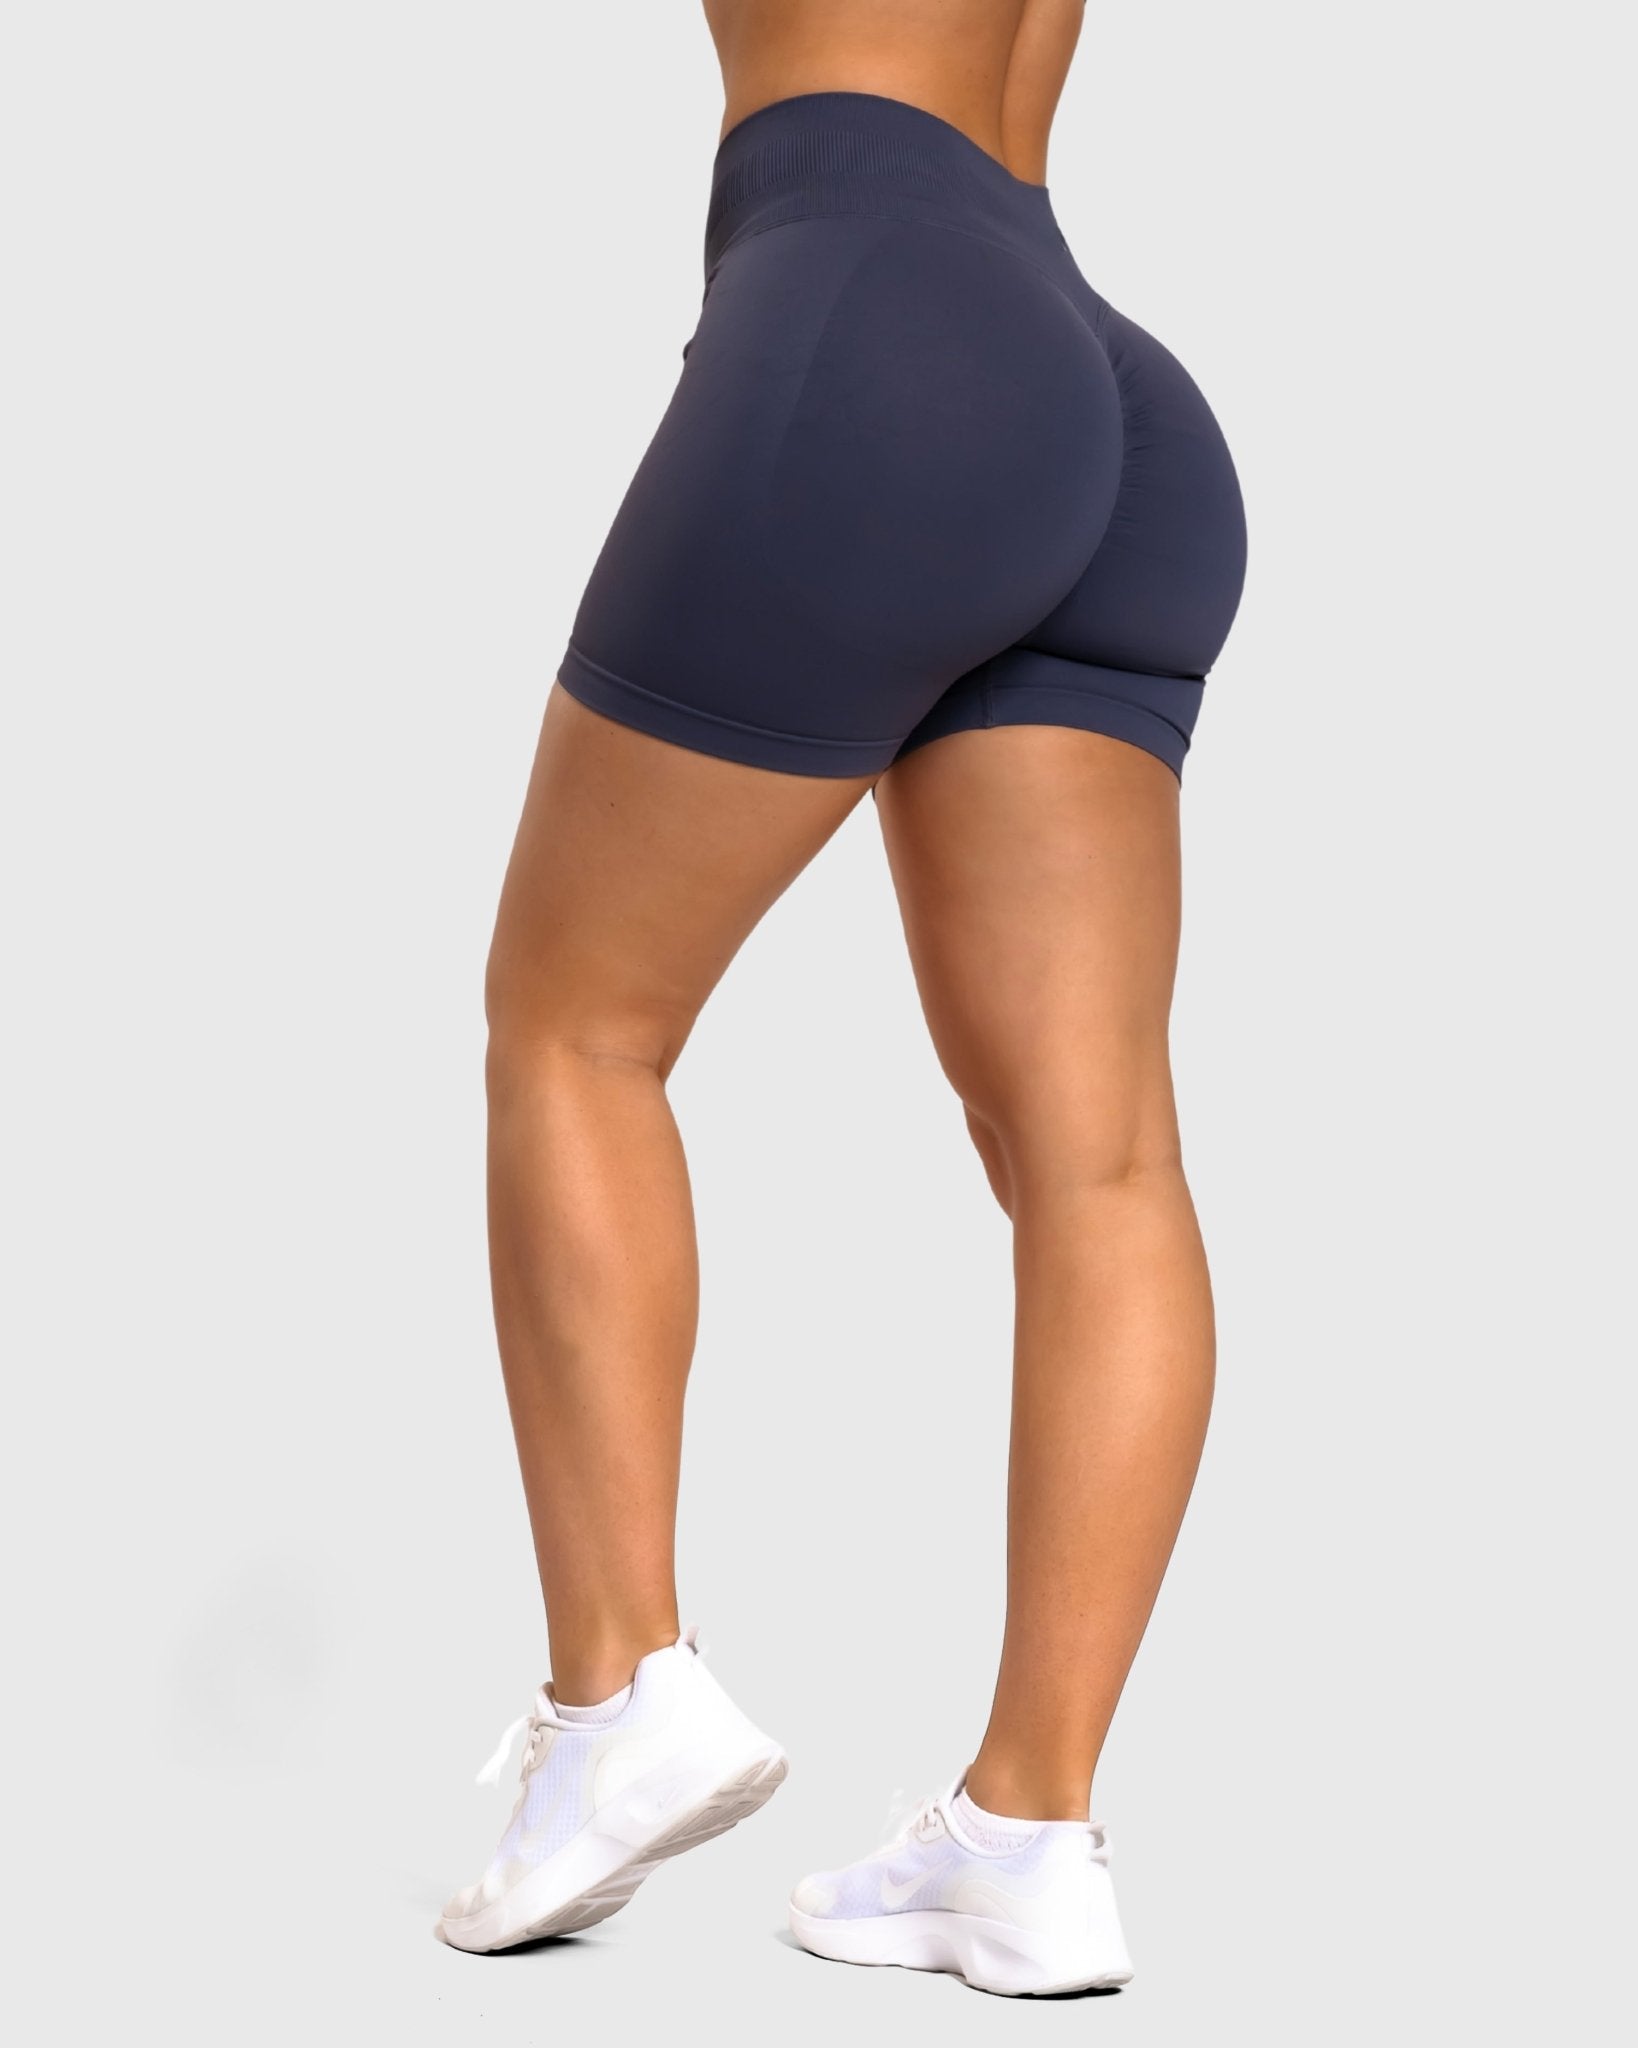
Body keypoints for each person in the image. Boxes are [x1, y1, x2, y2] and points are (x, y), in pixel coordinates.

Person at [437, 0, 1246, 1998]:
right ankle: (1028, 1840)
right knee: (1098, 1157)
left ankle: (617, 1693)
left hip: (874, 314)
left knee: (575, 1024)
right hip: (1101, 386)